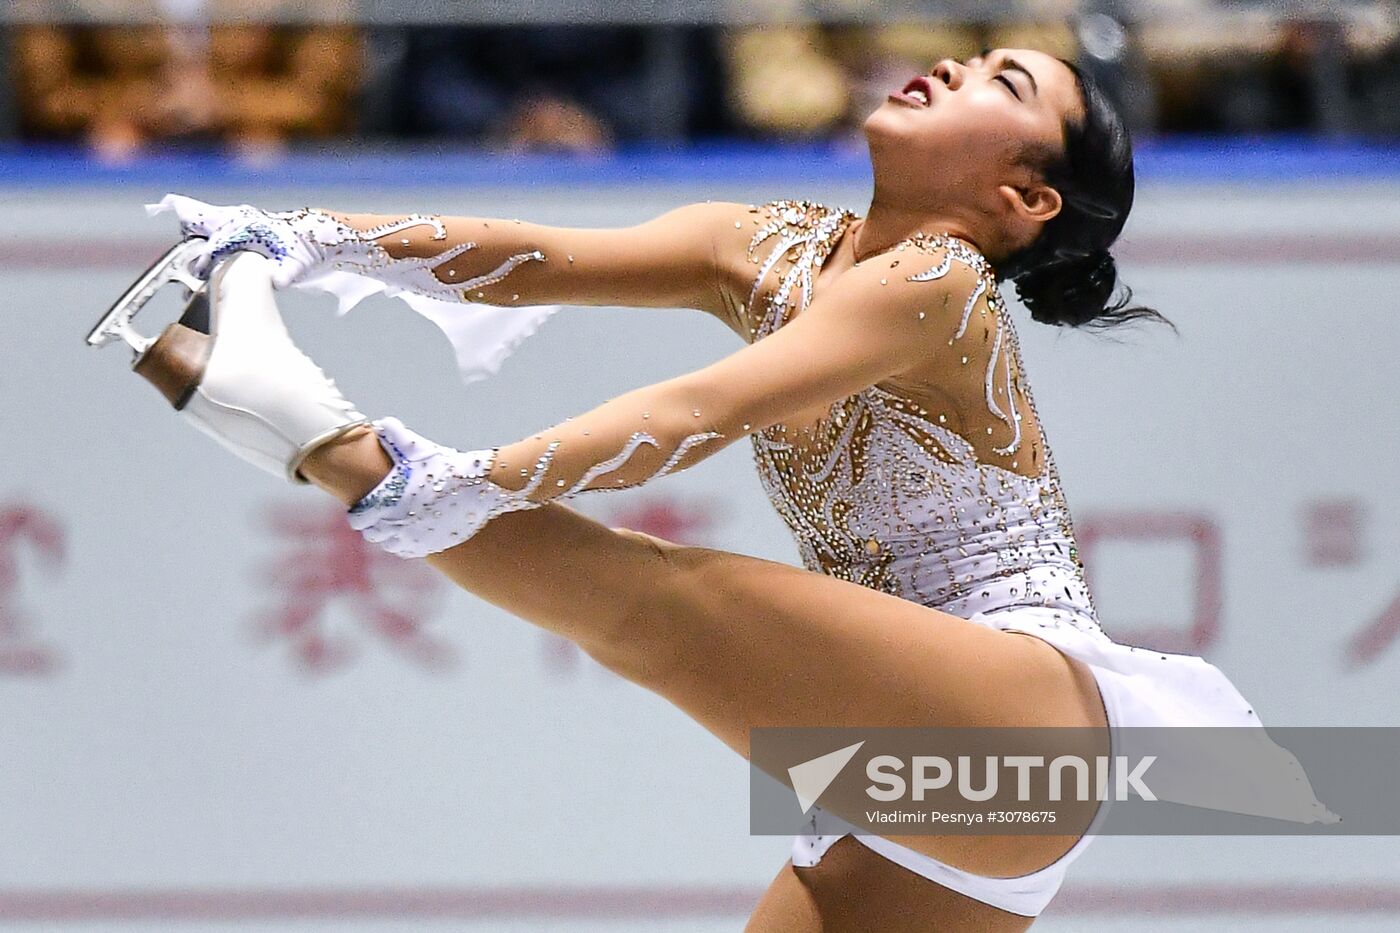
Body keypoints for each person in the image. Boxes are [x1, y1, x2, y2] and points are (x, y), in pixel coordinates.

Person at [94, 48, 1334, 931]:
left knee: (656, 601)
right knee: (647, 605)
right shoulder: (762, 243)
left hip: (1014, 725)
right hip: (945, 797)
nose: (953, 66)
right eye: (972, 56)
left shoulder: (938, 283)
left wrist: (471, 480)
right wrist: (297, 233)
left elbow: (697, 413)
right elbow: (531, 257)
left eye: (1002, 86)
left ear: (1018, 199)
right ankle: (299, 426)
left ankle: (320, 438)